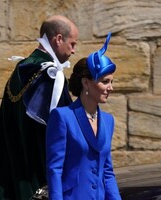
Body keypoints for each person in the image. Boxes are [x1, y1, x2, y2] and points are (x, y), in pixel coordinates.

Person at [0, 15, 79, 200]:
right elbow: (60, 135)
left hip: (12, 177)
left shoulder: (22, 68)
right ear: (58, 39)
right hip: (37, 180)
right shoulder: (51, 78)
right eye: (72, 44)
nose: (74, 51)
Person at [46, 32, 122, 200]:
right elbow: (54, 170)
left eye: (111, 82)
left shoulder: (108, 121)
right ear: (86, 82)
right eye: (105, 81)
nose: (110, 88)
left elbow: (107, 172)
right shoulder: (62, 117)